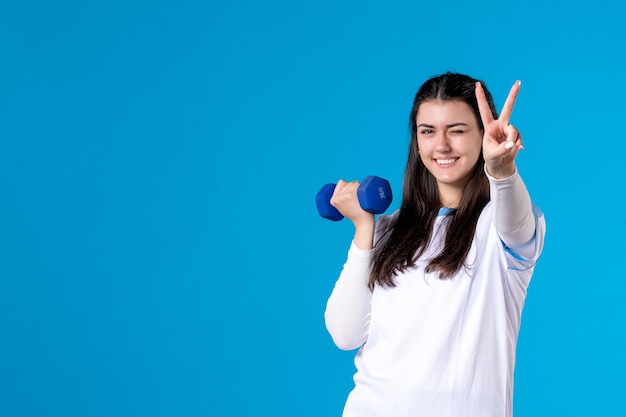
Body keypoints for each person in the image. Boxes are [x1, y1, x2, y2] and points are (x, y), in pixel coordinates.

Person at [324, 72, 546, 417]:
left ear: (483, 135)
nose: (441, 146)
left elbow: (515, 220)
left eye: (456, 131)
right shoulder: (388, 230)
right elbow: (345, 333)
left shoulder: (498, 229)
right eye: (428, 132)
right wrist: (364, 228)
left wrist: (502, 170)